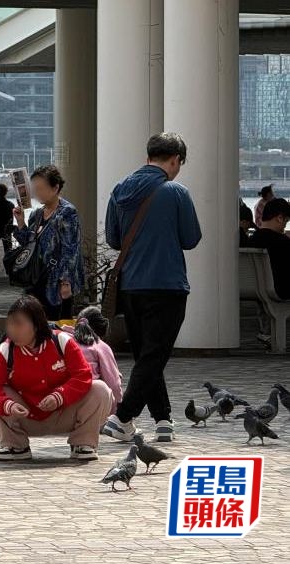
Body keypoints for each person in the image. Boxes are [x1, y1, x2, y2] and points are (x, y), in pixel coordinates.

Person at [101, 132, 201, 444]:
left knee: (148, 353)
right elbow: (191, 238)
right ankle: (123, 415)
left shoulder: (120, 189)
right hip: (167, 285)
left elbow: (115, 240)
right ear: (175, 160)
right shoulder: (176, 192)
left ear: (148, 157)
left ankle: (163, 420)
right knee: (154, 356)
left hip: (131, 286)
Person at [0, 296, 113, 461]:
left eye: (19, 324)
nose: (13, 330)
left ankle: (83, 442)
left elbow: (83, 375)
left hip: (64, 413)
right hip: (24, 415)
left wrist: (60, 396)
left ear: (36, 325)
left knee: (99, 389)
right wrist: (8, 405)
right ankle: (15, 445)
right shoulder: (6, 350)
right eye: (11, 324)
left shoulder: (61, 341)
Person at [12, 165, 85, 321]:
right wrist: (20, 222)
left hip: (55, 281)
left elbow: (70, 250)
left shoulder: (67, 212)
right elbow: (28, 244)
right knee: (35, 324)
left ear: (55, 187)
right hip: (36, 279)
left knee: (58, 325)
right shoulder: (36, 214)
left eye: (41, 188)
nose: (37, 193)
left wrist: (65, 282)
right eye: (35, 189)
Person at [248, 197, 290, 347]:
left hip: (256, 289)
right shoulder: (283, 243)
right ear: (279, 218)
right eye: (285, 221)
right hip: (281, 289)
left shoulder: (252, 240)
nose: (285, 226)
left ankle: (266, 333)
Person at [69, 307, 123, 414]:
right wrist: (119, 414)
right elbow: (113, 384)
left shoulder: (64, 339)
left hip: (61, 403)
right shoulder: (100, 346)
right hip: (90, 406)